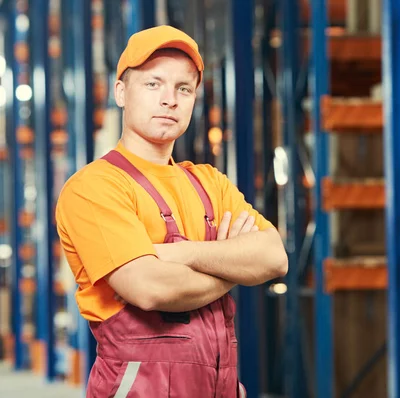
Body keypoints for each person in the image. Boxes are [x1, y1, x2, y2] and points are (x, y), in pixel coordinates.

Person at [55, 25, 288, 398]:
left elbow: (274, 257)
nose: (170, 100)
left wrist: (185, 254)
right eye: (153, 84)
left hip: (219, 384)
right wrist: (232, 268)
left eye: (184, 88)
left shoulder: (210, 183)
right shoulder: (95, 188)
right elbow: (148, 288)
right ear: (120, 92)